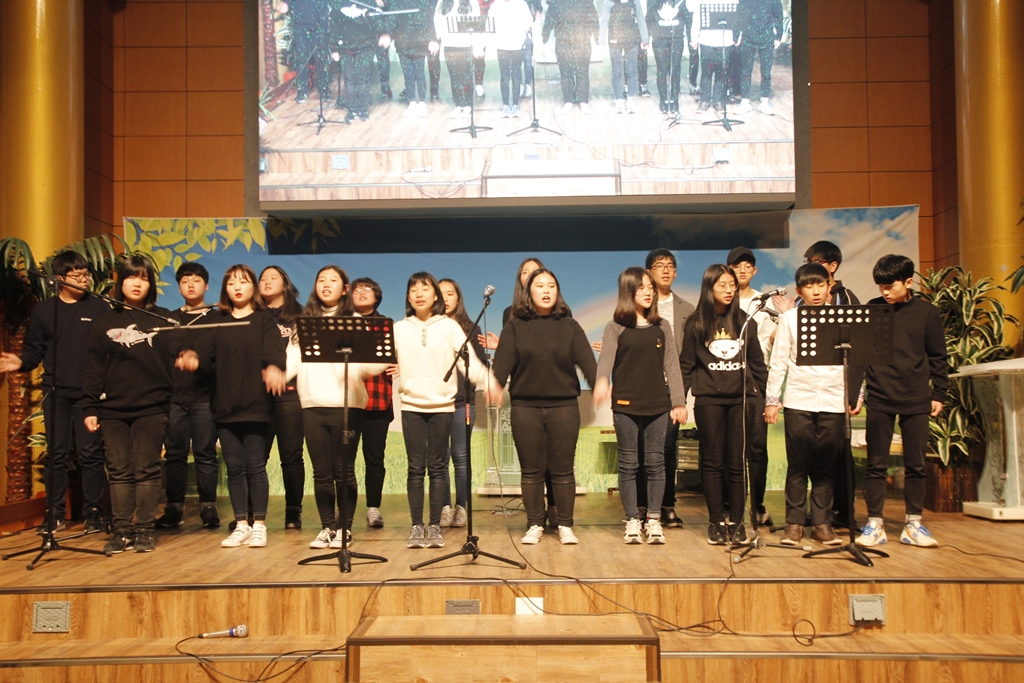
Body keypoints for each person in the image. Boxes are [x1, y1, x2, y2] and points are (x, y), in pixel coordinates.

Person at [82, 255, 194, 554]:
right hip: (112, 409)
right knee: (119, 471)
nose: (137, 283)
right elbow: (93, 366)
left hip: (152, 407)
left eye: (143, 278)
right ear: (121, 282)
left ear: (151, 284)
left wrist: (186, 354)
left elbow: (178, 345)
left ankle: (144, 529)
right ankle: (122, 530)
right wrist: (90, 407)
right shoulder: (106, 320)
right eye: (132, 277)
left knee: (147, 469)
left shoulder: (162, 318)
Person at [0, 251, 109, 533]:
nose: (84, 280)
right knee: (56, 455)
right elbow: (34, 350)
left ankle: (94, 514)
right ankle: (55, 514)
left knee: (90, 454)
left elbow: (107, 351)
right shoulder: (45, 310)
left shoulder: (99, 307)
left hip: (88, 394)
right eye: (77, 275)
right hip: (56, 393)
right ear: (60, 278)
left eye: (86, 274)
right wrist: (20, 361)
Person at [492, 268, 597, 545]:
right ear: (529, 291)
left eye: (551, 285)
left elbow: (587, 361)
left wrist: (599, 383)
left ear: (557, 291)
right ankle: (534, 524)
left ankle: (565, 524)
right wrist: (496, 385)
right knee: (532, 471)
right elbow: (503, 362)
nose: (546, 290)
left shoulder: (570, 325)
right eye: (539, 285)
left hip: (564, 406)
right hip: (525, 407)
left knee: (563, 470)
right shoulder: (515, 326)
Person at [393, 272, 498, 549]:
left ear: (435, 296)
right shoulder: (399, 328)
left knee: (439, 467)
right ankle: (417, 526)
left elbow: (469, 363)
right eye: (413, 289)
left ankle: (435, 526)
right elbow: (378, 359)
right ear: (408, 297)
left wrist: (489, 382)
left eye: (425, 288)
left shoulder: (450, 327)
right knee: (416, 468)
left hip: (443, 406)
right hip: (411, 406)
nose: (419, 294)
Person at [286, 266, 387, 550]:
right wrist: (278, 374)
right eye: (321, 280)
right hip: (312, 403)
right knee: (321, 473)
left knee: (343, 471)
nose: (326, 284)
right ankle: (327, 527)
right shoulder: (303, 323)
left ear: (345, 289)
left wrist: (358, 371)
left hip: (347, 405)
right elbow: (292, 359)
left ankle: (345, 529)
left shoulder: (354, 321)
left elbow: (377, 360)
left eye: (333, 280)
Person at [856, 255, 947, 548]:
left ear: (908, 282)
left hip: (917, 396)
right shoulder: (873, 309)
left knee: (916, 464)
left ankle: (913, 524)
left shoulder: (927, 313)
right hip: (880, 396)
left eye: (890, 286)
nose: (884, 292)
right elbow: (860, 354)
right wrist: (855, 393)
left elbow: (938, 356)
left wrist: (939, 393)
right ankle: (875, 524)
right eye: (880, 286)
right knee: (876, 464)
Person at [193, 265, 287, 549]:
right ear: (225, 289)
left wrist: (274, 367)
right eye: (232, 282)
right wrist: (193, 359)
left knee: (255, 467)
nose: (237, 287)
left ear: (252, 288)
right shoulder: (217, 322)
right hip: (225, 406)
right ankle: (241, 525)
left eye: (243, 282)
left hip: (256, 405)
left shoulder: (263, 321)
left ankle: (259, 524)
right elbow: (204, 355)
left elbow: (275, 352)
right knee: (234, 468)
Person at [593, 267, 687, 545]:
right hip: (625, 405)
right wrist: (601, 381)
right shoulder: (615, 327)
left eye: (650, 287)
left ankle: (653, 519)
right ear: (628, 291)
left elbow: (672, 365)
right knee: (629, 463)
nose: (648, 292)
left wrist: (679, 402)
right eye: (641, 288)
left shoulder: (662, 326)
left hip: (658, 404)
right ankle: (633, 519)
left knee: (656, 462)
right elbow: (606, 360)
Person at [679, 264, 767, 546]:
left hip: (741, 401)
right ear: (709, 288)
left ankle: (738, 523)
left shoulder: (744, 321)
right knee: (712, 462)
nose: (729, 290)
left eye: (732, 285)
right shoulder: (695, 323)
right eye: (722, 285)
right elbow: (686, 366)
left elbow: (757, 364)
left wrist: (765, 399)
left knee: (737, 463)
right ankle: (716, 521)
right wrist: (679, 400)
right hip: (709, 401)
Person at [764, 263, 850, 547]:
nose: (815, 291)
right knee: (798, 463)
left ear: (829, 287)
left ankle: (822, 523)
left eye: (820, 285)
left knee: (826, 466)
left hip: (833, 399)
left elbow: (853, 360)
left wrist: (855, 395)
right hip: (799, 398)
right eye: (809, 286)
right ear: (799, 290)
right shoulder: (790, 319)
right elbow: (778, 362)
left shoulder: (842, 317)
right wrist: (772, 400)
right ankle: (794, 523)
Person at [156, 263, 220, 530]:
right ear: (179, 287)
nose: (190, 285)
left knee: (205, 454)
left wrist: (198, 358)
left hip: (205, 397)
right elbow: (168, 350)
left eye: (196, 280)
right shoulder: (170, 319)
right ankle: (174, 508)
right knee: (175, 455)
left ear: (206, 285)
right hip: (174, 398)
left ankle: (208, 507)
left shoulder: (218, 318)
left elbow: (218, 355)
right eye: (184, 281)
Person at [801, 240, 859, 527]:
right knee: (815, 455)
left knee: (840, 453)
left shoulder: (845, 298)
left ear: (832, 267)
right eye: (808, 262)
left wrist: (855, 392)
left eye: (818, 262)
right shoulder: (801, 303)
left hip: (838, 389)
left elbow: (858, 350)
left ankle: (844, 513)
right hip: (809, 390)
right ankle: (820, 512)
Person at [635, 248, 694, 528]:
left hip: (673, 386)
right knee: (640, 445)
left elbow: (690, 353)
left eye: (670, 265)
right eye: (660, 265)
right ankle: (640, 504)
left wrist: (683, 388)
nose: (666, 270)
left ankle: (667, 504)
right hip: (642, 384)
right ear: (649, 272)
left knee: (667, 446)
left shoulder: (688, 310)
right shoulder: (639, 303)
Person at [726, 246, 778, 528]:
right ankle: (729, 506)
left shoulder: (764, 303)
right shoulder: (721, 300)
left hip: (756, 380)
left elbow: (771, 345)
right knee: (729, 448)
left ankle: (757, 505)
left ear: (755, 271)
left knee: (757, 448)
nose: (742, 270)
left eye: (747, 266)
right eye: (737, 266)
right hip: (727, 380)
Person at [437, 278, 490, 528]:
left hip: (462, 402)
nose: (445, 298)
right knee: (440, 458)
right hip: (436, 402)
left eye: (450, 293)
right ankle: (443, 508)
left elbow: (480, 363)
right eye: (440, 293)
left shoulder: (471, 328)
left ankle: (461, 507)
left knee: (460, 456)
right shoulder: (431, 328)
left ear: (458, 298)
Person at [259, 266, 307, 530]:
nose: (266, 282)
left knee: (291, 455)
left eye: (273, 278)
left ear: (285, 284)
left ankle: (293, 511)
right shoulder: (252, 315)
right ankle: (253, 513)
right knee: (257, 457)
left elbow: (301, 356)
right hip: (258, 396)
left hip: (290, 395)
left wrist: (282, 375)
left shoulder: (300, 316)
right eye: (262, 279)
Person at [350, 277, 394, 528]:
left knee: (375, 458)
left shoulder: (386, 325)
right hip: (347, 400)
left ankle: (373, 508)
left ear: (377, 297)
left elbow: (400, 354)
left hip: (378, 400)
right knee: (344, 460)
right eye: (357, 289)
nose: (362, 292)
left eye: (367, 289)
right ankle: (343, 508)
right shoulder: (342, 322)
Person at [381, 0, 440, 117]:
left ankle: (422, 103)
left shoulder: (423, 2)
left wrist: (433, 39)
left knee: (419, 74)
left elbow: (429, 21)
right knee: (408, 75)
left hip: (419, 43)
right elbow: (392, 20)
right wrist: (388, 35)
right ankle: (412, 103)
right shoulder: (397, 3)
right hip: (403, 44)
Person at [333, 0, 390, 122]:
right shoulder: (339, 3)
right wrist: (334, 49)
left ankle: (363, 109)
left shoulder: (369, 2)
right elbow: (334, 25)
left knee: (364, 79)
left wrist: (383, 34)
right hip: (345, 48)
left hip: (366, 46)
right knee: (349, 80)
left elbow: (378, 20)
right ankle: (352, 109)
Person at [543, 0, 600, 113]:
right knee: (565, 73)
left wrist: (598, 41)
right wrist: (543, 40)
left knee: (582, 73)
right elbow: (549, 21)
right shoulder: (556, 3)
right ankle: (568, 101)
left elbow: (594, 21)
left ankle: (583, 102)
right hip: (563, 42)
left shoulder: (587, 2)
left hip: (583, 42)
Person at [435, 0, 483, 120]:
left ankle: (467, 105)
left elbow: (476, 25)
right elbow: (437, 20)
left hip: (466, 45)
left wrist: (477, 46)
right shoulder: (442, 1)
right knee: (454, 77)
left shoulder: (472, 2)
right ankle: (458, 104)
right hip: (449, 45)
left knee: (467, 76)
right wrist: (437, 39)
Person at [687, 0, 736, 117]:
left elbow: (736, 18)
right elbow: (696, 19)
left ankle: (718, 100)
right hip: (706, 40)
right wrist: (694, 38)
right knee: (706, 72)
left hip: (725, 40)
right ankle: (705, 100)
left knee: (721, 72)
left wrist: (736, 36)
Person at [734, 0, 783, 116]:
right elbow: (739, 14)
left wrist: (778, 36)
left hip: (767, 38)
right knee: (745, 72)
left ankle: (764, 102)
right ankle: (745, 102)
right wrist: (736, 34)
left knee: (766, 72)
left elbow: (778, 16)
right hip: (747, 37)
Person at [279, 0, 333, 104]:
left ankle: (324, 89)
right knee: (301, 58)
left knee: (321, 58)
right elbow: (285, 6)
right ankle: (302, 89)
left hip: (320, 25)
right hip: (300, 25)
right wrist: (285, 3)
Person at [601, 0, 649, 114]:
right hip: (614, 40)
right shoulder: (609, 2)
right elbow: (604, 22)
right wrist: (601, 42)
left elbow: (641, 19)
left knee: (631, 70)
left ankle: (630, 98)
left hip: (632, 40)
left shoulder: (635, 2)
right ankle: (619, 100)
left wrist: (645, 39)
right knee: (616, 72)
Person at [489, 0, 535, 118]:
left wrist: (521, 36)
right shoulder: (496, 5)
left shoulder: (521, 3)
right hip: (502, 45)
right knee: (504, 75)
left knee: (516, 74)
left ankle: (515, 105)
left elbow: (528, 21)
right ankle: (505, 105)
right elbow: (490, 24)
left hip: (517, 45)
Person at [647, 0, 687, 115]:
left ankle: (674, 101)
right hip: (659, 40)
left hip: (677, 39)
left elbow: (687, 18)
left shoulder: (680, 2)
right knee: (662, 70)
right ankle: (663, 100)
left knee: (675, 70)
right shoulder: (653, 3)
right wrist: (646, 39)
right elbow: (648, 20)